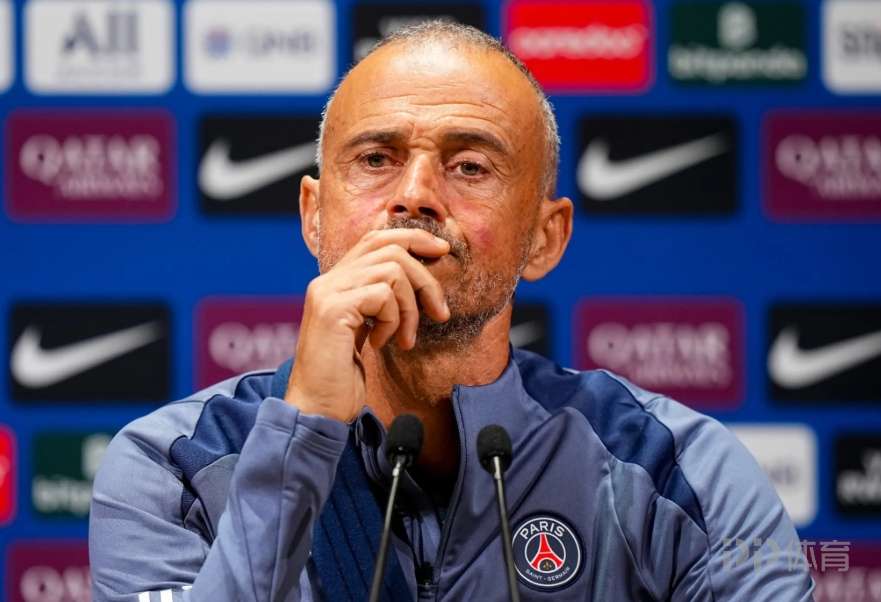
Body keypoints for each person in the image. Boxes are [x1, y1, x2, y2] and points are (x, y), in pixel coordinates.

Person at [89, 22, 814, 602]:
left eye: (470, 166)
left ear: (544, 237)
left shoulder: (676, 469)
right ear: (314, 215)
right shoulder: (172, 467)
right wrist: (302, 431)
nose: (414, 195)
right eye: (376, 160)